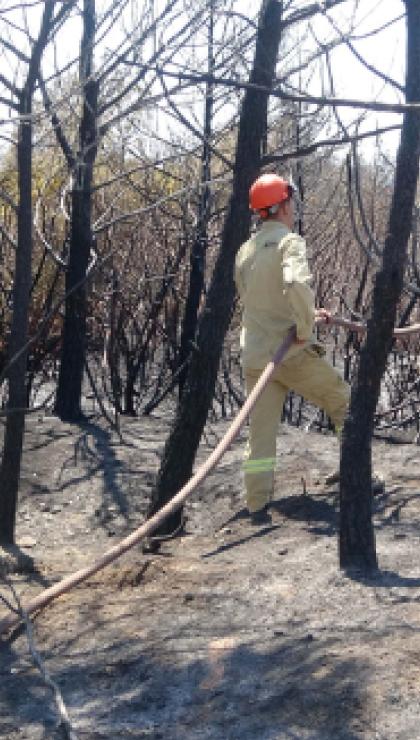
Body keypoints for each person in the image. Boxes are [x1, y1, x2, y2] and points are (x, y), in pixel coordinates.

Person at [235, 173, 350, 525]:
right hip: (291, 353)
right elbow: (295, 283)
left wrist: (307, 314)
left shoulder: (246, 251)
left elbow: (259, 301)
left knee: (261, 434)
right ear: (283, 204)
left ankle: (256, 505)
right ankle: (356, 476)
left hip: (256, 355)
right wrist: (304, 326)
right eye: (291, 202)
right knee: (344, 401)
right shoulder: (289, 243)